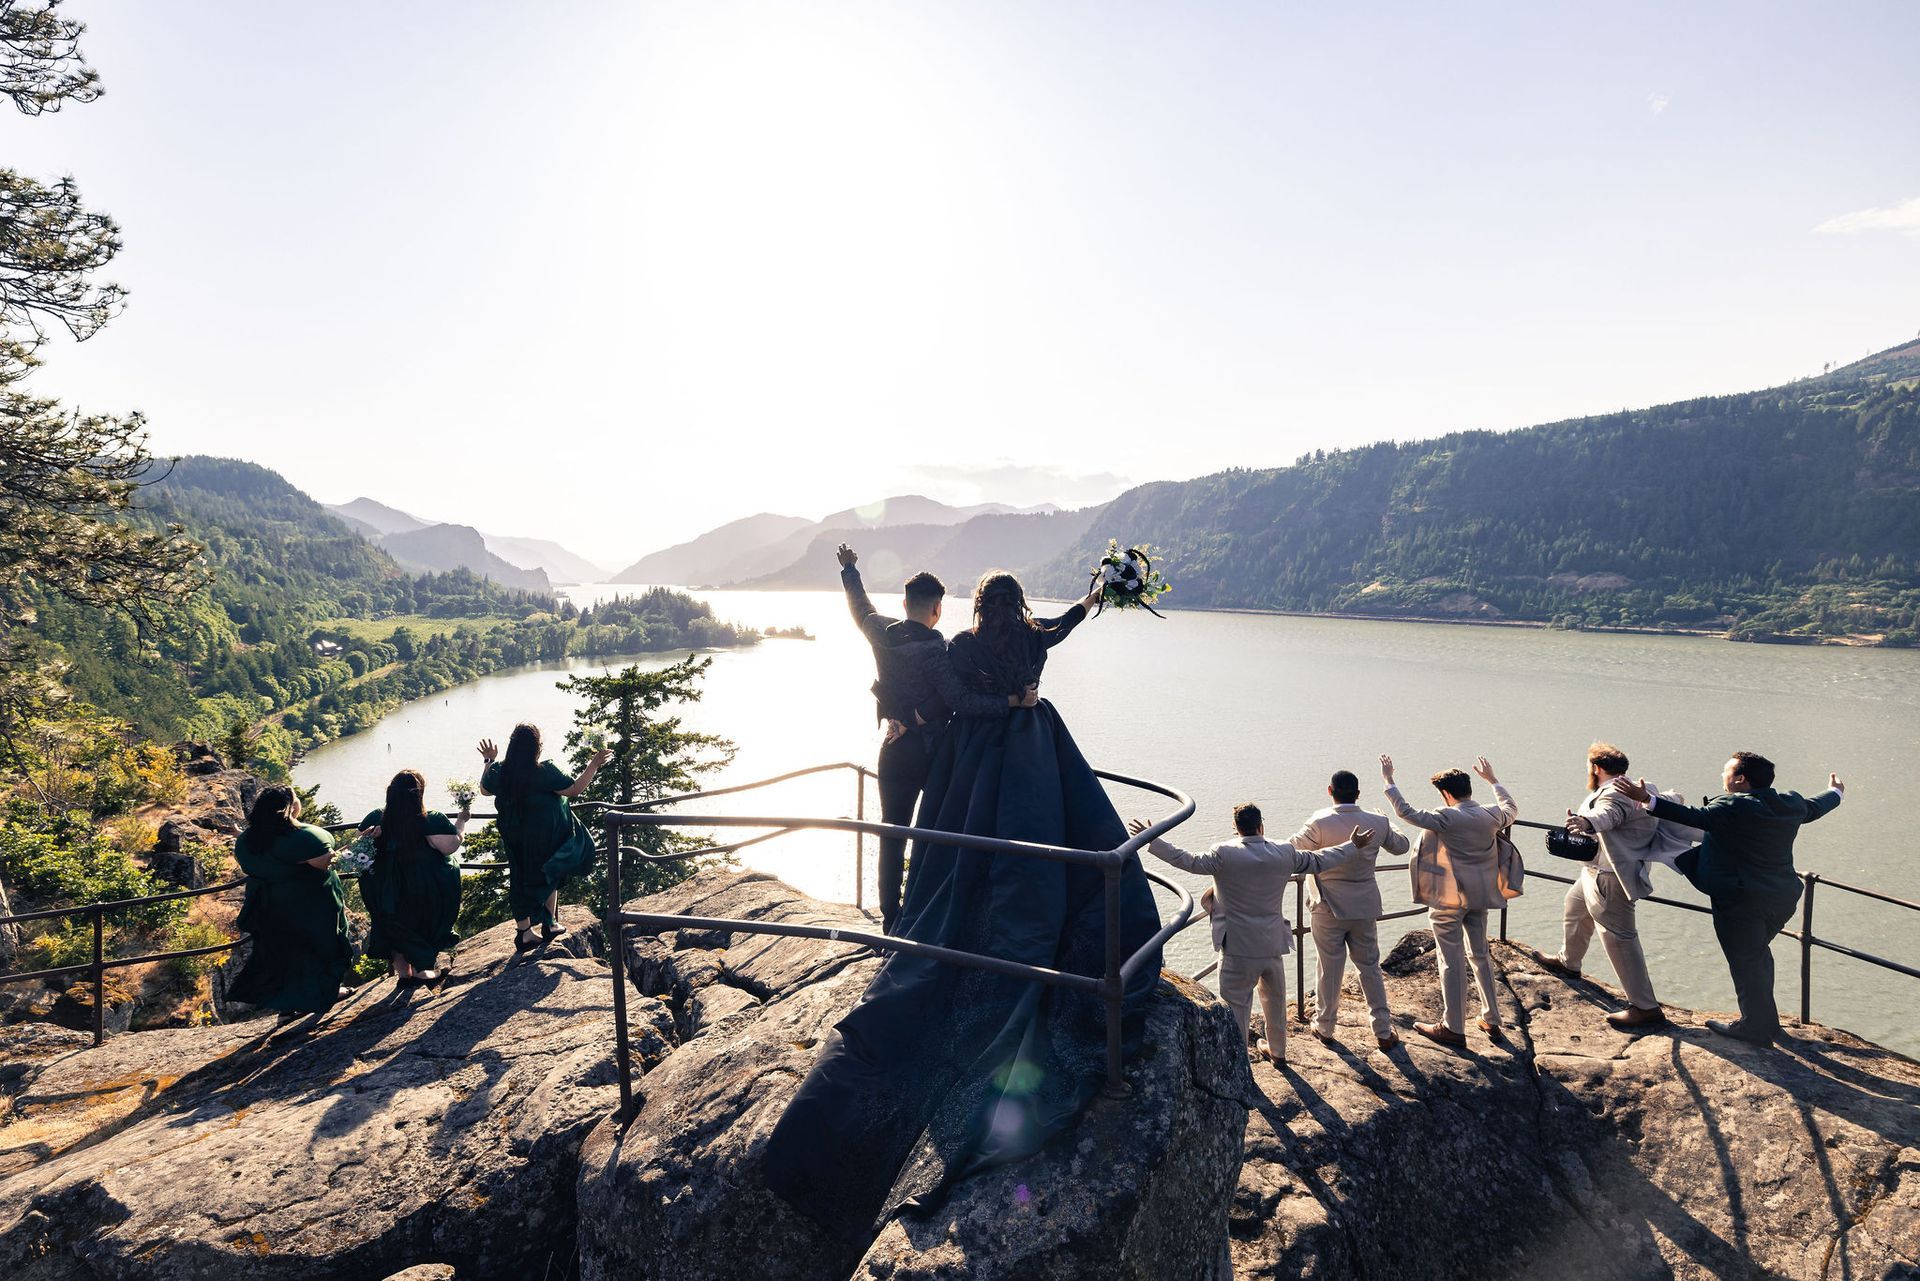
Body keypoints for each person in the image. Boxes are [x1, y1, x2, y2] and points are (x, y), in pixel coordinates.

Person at [763, 569, 1159, 1242]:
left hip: (972, 765)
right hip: (1034, 752)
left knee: (959, 864)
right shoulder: (1033, 638)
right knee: (1051, 849)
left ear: (976, 606)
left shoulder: (958, 649)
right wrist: (1092, 599)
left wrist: (927, 715)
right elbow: (1063, 625)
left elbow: (951, 702)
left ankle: (953, 932)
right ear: (1018, 605)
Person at [835, 543, 1033, 933]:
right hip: (933, 756)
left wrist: (850, 569)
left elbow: (860, 608)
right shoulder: (938, 649)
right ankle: (928, 915)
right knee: (937, 833)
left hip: (892, 752)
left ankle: (890, 921)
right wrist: (1012, 700)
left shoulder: (880, 632)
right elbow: (959, 701)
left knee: (892, 832)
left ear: (905, 602)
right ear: (937, 608)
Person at [1612, 753, 1844, 1046]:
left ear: (1740, 778)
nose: (1723, 775)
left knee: (1745, 959)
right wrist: (1836, 791)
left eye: (1727, 770)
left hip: (1740, 900)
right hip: (1783, 897)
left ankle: (1754, 1028)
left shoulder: (1731, 805)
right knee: (1757, 955)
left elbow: (1693, 816)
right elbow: (1817, 806)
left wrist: (1646, 798)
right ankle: (1767, 1023)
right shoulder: (1790, 803)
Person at [1129, 803, 1376, 1065]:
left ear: (1235, 828)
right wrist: (1352, 846)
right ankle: (1278, 1051)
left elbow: (1187, 861)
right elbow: (1320, 860)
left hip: (1237, 945)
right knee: (1276, 1000)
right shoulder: (1284, 852)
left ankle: (1238, 1064)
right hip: (1272, 942)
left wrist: (1152, 839)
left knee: (1236, 1006)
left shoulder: (1223, 853)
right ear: (1261, 826)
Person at [1381, 755, 1519, 1049]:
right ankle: (1491, 1018)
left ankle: (1453, 1027)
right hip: (1480, 896)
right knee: (1480, 954)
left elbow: (1406, 812)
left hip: (1449, 899)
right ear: (1468, 788)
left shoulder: (1447, 817)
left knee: (1450, 961)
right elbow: (1511, 808)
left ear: (1446, 794)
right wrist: (1493, 780)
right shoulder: (1490, 815)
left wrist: (1389, 780)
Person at [1541, 743, 1667, 1030]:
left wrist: (1584, 822)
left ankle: (1646, 1008)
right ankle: (1568, 961)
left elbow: (1608, 815)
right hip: (1595, 871)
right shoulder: (1637, 787)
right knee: (1574, 907)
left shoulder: (1615, 793)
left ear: (1595, 768)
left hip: (1610, 876)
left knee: (1620, 939)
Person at [1289, 770, 1410, 1052]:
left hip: (1327, 905)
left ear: (1330, 791)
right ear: (1358, 794)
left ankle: (1326, 1026)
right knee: (1369, 966)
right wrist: (1389, 822)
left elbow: (1291, 851)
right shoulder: (1377, 821)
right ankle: (1382, 1030)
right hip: (1364, 904)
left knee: (1329, 967)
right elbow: (1401, 847)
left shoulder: (1319, 821)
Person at [478, 724, 610, 951]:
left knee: (519, 876)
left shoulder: (501, 771)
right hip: (544, 836)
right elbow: (574, 789)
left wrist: (489, 760)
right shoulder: (544, 771)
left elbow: (485, 790)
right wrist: (595, 764)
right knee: (551, 869)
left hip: (513, 836)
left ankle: (526, 932)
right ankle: (549, 924)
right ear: (536, 747)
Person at [228, 785, 352, 1016]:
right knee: (321, 948)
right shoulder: (304, 837)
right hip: (309, 906)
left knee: (284, 952)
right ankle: (323, 994)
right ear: (291, 807)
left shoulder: (247, 840)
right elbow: (324, 862)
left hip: (269, 905)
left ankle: (287, 1005)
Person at [358, 769, 466, 987]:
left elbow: (359, 851)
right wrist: (461, 822)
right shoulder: (430, 819)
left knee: (395, 925)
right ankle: (421, 972)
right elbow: (450, 847)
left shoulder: (375, 817)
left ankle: (403, 975)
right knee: (422, 922)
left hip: (386, 886)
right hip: (421, 884)